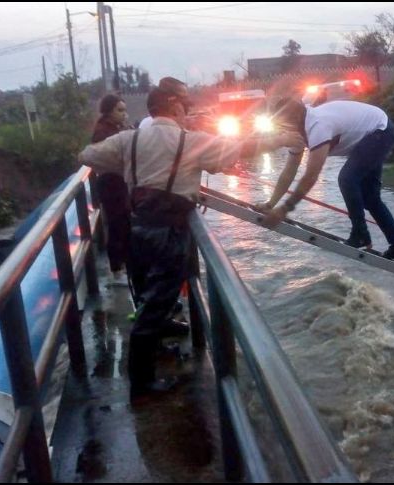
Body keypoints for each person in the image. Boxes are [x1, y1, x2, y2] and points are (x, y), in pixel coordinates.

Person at [79, 78, 303, 398]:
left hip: (138, 228)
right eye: (185, 106)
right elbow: (243, 148)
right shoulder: (192, 141)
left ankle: (154, 348)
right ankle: (141, 385)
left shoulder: (129, 139)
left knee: (148, 295)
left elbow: (86, 155)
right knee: (156, 304)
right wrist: (281, 138)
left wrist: (127, 165)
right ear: (173, 106)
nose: (188, 112)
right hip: (169, 232)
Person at [257, 97, 394, 261]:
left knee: (347, 179)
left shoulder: (318, 126)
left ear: (294, 120)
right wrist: (271, 204)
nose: (282, 132)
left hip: (379, 130)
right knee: (370, 198)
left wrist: (284, 209)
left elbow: (310, 176)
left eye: (283, 126)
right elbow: (289, 172)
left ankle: (360, 234)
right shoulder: (297, 132)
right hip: (372, 131)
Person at [91, 94, 131, 280]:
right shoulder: (103, 132)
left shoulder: (113, 129)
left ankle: (122, 266)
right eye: (119, 110)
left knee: (122, 224)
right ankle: (117, 268)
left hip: (117, 183)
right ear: (109, 111)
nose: (124, 114)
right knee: (117, 225)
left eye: (124, 110)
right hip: (111, 184)